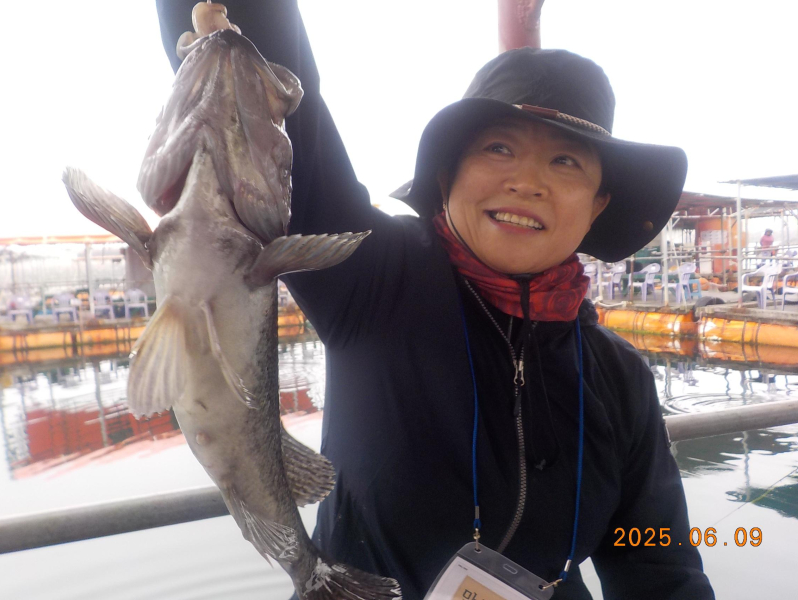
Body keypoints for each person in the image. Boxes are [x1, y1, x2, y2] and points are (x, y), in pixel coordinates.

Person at [156, 1, 715, 598]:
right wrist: (230, 30)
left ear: (598, 204)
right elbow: (289, 118)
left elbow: (658, 561)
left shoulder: (620, 377)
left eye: (565, 161)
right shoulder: (377, 278)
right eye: (498, 148)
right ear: (448, 175)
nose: (528, 182)